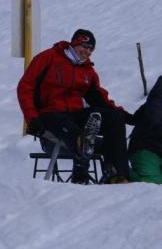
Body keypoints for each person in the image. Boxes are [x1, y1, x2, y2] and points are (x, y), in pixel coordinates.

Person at [17, 29, 134, 184]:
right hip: (49, 113)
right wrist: (32, 118)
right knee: (64, 123)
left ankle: (117, 174)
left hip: (75, 114)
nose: (87, 52)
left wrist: (124, 115)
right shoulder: (48, 57)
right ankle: (82, 147)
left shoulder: (87, 70)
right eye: (85, 47)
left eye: (91, 49)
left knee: (114, 119)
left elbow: (99, 99)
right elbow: (25, 87)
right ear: (74, 44)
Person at [128, 76, 162, 183]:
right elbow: (154, 116)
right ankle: (119, 173)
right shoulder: (159, 92)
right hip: (147, 146)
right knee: (150, 183)